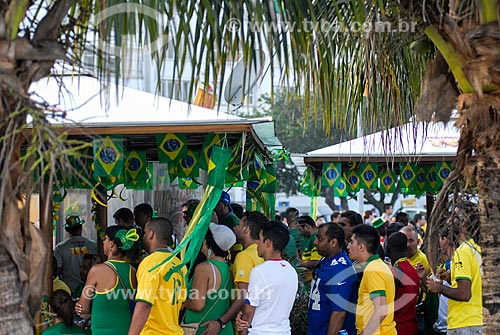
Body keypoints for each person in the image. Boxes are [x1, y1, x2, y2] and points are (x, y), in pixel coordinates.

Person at [201, 211, 266, 334]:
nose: (235, 227)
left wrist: (221, 322)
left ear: (246, 229)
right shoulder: (261, 254)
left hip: (245, 325)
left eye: (238, 224)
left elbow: (243, 296)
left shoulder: (244, 256)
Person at [427, 209, 483, 335]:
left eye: (453, 217)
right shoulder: (476, 248)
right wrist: (450, 277)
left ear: (463, 223)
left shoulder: (462, 251)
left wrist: (439, 287)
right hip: (475, 322)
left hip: (465, 324)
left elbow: (464, 294)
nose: (449, 222)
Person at [75, 226, 138, 335]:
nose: (103, 242)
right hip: (127, 330)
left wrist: (78, 306)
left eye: (105, 239)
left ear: (111, 244)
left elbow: (83, 308)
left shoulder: (97, 270)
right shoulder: (133, 271)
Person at [129, 217, 187, 335]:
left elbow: (144, 304)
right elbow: (181, 306)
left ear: (151, 234)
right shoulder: (179, 265)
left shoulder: (151, 263)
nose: (143, 236)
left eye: (145, 232)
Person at [237, 223, 298, 335]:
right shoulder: (291, 271)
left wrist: (242, 327)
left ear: (268, 242)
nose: (257, 243)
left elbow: (248, 311)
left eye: (259, 239)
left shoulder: (260, 271)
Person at [184, 223, 236, 335]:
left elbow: (197, 305)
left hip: (203, 329)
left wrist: (181, 302)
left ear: (208, 242)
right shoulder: (228, 267)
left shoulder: (204, 268)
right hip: (223, 329)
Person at [308, 223, 357, 335]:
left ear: (333, 242)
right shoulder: (326, 260)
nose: (315, 242)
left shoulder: (341, 270)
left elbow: (339, 313)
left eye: (320, 239)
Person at [347, 224, 396, 335]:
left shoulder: (373, 270)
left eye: (351, 242)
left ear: (361, 247)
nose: (348, 246)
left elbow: (381, 310)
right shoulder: (377, 266)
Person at [54, 214, 98, 293]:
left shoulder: (60, 247)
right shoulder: (93, 245)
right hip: (89, 288)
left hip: (68, 290)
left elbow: (57, 270)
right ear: (81, 228)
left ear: (67, 230)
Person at [386, 232, 419, 335]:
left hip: (398, 328)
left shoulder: (394, 273)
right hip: (412, 327)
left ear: (388, 249)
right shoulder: (413, 270)